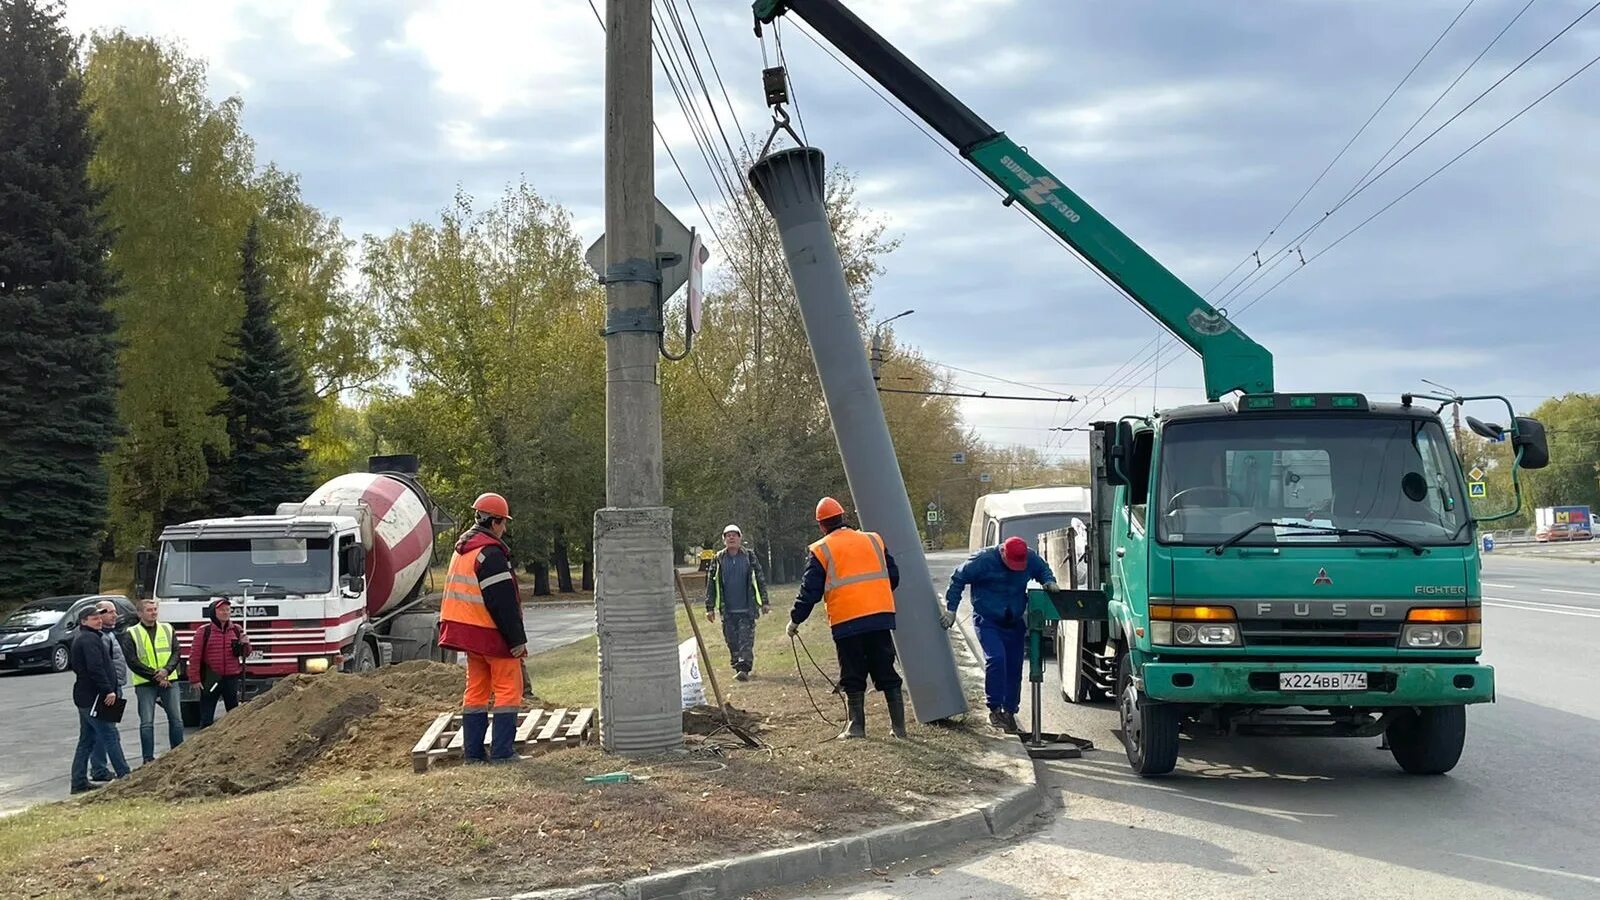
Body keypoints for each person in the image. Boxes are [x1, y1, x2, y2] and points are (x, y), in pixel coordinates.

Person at [786, 497, 907, 740]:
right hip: (880, 616)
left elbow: (810, 591)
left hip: (847, 619)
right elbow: (893, 576)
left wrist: (795, 620)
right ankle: (899, 728)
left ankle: (857, 727)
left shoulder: (821, 549)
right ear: (843, 518)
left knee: (852, 671)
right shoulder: (874, 539)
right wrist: (873, 595)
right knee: (885, 668)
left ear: (821, 525)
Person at [438, 492, 527, 764]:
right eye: (503, 523)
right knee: (508, 688)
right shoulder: (490, 554)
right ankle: (503, 752)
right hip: (492, 634)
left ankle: (474, 754)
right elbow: (502, 603)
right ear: (494, 521)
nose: (505, 529)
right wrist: (516, 640)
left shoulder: (462, 551)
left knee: (476, 690)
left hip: (468, 634)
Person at [940, 536, 1061, 733]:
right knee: (996, 659)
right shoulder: (983, 560)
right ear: (1003, 552)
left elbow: (1043, 570)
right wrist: (951, 609)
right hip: (988, 620)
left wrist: (1049, 581)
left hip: (1014, 622)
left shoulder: (1029, 557)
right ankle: (995, 709)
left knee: (1014, 667)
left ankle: (1009, 712)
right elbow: (958, 578)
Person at [69, 604, 129, 793]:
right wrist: (107, 690)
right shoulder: (88, 640)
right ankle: (125, 775)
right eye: (94, 618)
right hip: (95, 697)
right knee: (110, 735)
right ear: (84, 621)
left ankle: (78, 781)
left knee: (87, 739)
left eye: (99, 617)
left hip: (87, 696)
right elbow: (95, 668)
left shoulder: (91, 637)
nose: (99, 621)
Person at [120, 599, 185, 764]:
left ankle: (178, 754)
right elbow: (132, 661)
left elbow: (176, 652)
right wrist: (156, 677)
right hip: (145, 683)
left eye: (155, 609)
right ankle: (148, 759)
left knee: (176, 719)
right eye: (149, 610)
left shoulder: (168, 628)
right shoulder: (131, 633)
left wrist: (166, 671)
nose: (153, 613)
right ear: (140, 613)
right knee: (147, 722)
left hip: (169, 680)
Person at [704, 524, 768, 681]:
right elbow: (711, 584)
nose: (731, 538)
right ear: (724, 540)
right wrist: (709, 607)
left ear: (740, 538)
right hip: (727, 610)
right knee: (732, 641)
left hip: (747, 608)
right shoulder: (718, 559)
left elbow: (759, 579)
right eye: (728, 535)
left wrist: (765, 602)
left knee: (745, 640)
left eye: (734, 535)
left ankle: (744, 669)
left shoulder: (749, 556)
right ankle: (737, 665)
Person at [188, 597, 250, 727]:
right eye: (222, 610)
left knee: (234, 715)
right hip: (211, 678)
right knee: (207, 716)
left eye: (228, 610)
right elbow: (195, 657)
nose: (226, 613)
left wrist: (245, 644)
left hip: (231, 678)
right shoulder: (204, 632)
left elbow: (246, 653)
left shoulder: (236, 630)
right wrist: (195, 679)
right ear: (213, 613)